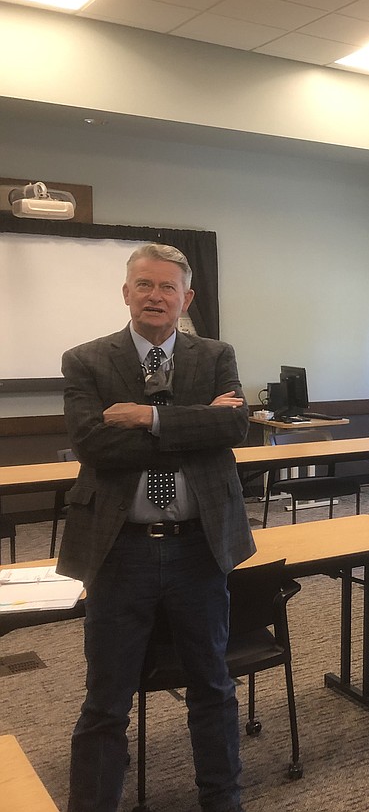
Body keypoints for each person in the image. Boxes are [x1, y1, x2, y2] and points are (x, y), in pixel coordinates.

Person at [58, 243, 255, 812]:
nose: (156, 296)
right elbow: (94, 443)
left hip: (199, 547)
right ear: (126, 292)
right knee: (106, 699)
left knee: (212, 688)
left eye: (168, 287)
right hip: (121, 552)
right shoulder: (87, 360)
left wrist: (147, 416)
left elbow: (235, 426)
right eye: (144, 285)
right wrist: (199, 423)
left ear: (186, 298)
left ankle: (223, 802)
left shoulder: (215, 354)